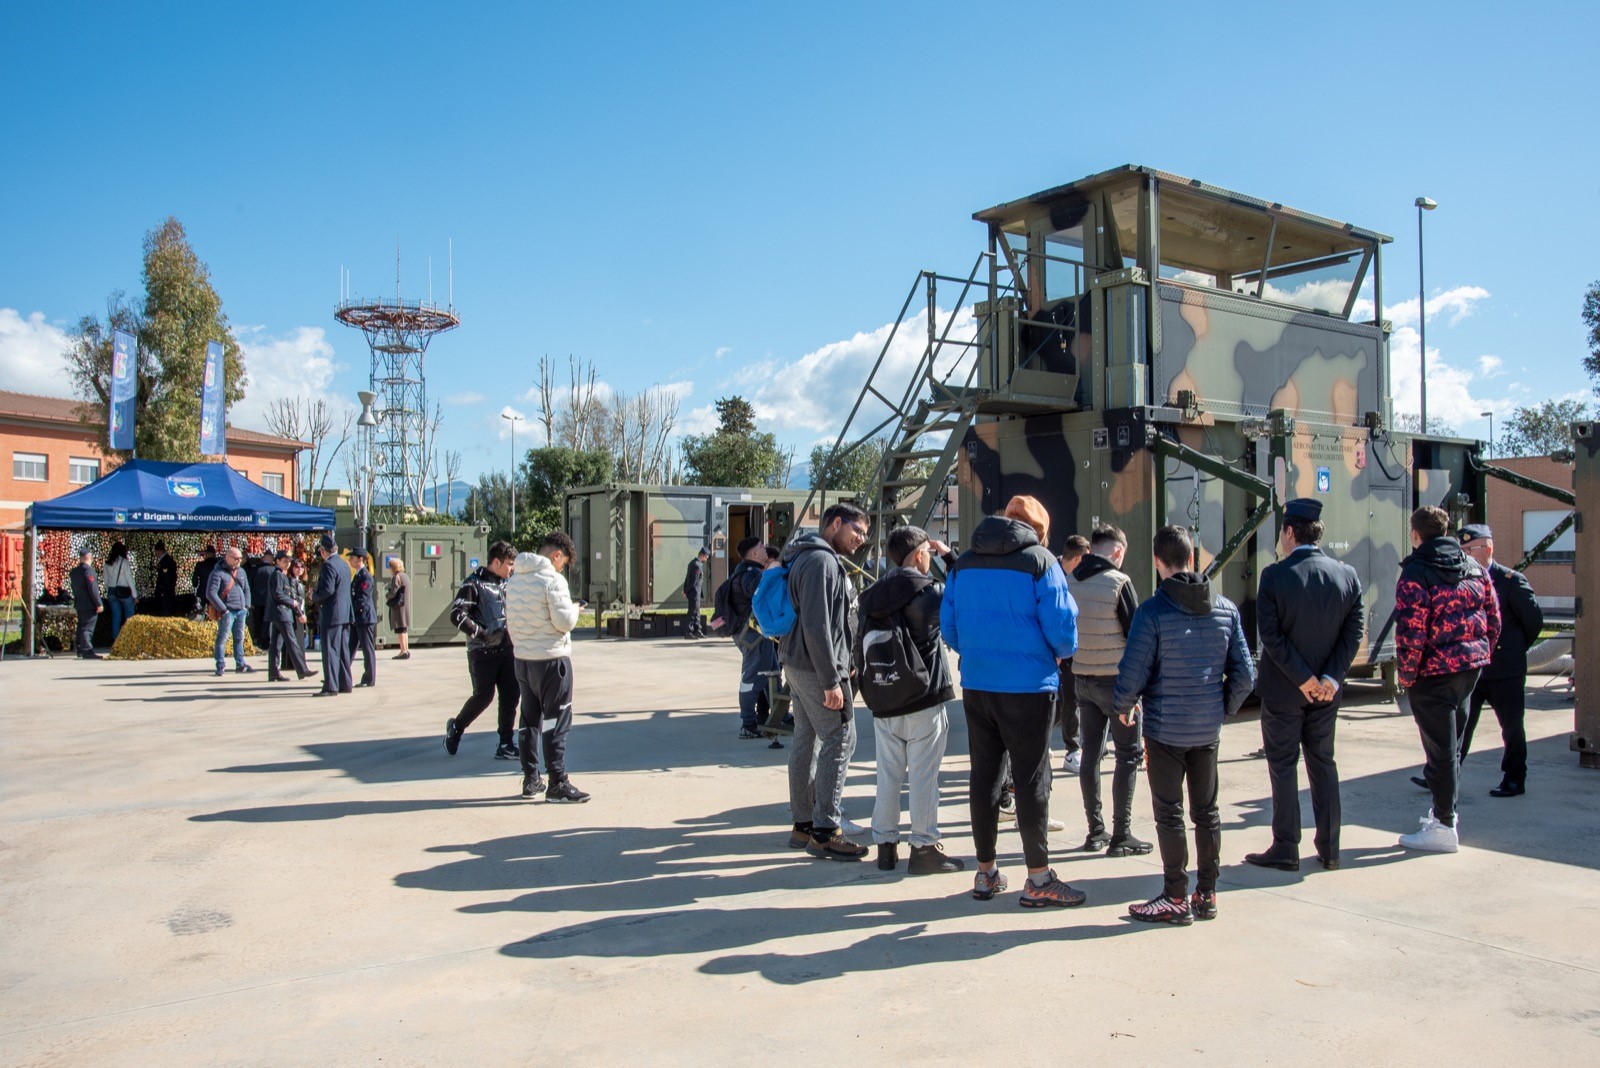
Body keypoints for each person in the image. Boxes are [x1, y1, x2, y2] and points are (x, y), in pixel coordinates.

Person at [941, 494, 1085, 908]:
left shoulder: (964, 562)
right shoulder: (1041, 562)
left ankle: (985, 873)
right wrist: (1056, 654)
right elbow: (1062, 630)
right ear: (1039, 530)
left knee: (984, 778)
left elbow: (948, 626)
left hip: (979, 685)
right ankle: (1039, 877)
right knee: (1031, 778)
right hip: (1029, 688)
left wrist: (977, 651)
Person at [1116, 525, 1255, 926]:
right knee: (1207, 812)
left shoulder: (1153, 612)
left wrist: (1123, 706)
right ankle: (1207, 893)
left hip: (1163, 731)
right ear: (1192, 558)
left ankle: (1175, 896)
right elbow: (1245, 675)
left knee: (1170, 814)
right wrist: (1220, 709)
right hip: (1206, 732)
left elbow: (1134, 670)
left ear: (1159, 562)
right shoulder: (1226, 609)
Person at [1244, 499, 1365, 873]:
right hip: (1327, 693)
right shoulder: (1347, 575)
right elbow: (1354, 632)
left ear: (1290, 532)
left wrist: (1303, 678)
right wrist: (1329, 677)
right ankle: (1330, 848)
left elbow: (1272, 638)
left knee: (1283, 766)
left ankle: (1286, 846)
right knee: (1323, 763)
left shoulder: (1275, 576)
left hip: (1284, 690)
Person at [857, 524, 964, 875]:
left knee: (887, 775)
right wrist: (949, 556)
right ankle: (924, 848)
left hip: (884, 696)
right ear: (919, 554)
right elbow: (965, 593)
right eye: (928, 553)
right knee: (923, 777)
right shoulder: (931, 591)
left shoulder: (871, 595)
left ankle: (885, 848)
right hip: (923, 696)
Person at [1394, 507, 1501, 852]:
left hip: (1432, 673)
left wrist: (1408, 676)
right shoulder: (1474, 568)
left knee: (1439, 751)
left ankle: (1442, 826)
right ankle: (1446, 815)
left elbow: (1411, 632)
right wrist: (1479, 654)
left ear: (1415, 534)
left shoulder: (1416, 573)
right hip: (1468, 670)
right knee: (1451, 748)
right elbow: (1493, 619)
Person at [780, 502, 871, 861]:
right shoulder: (822, 562)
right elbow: (818, 625)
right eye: (857, 531)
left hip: (798, 663)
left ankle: (803, 825)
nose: (861, 540)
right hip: (816, 667)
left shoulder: (805, 556)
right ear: (836, 523)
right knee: (839, 736)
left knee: (805, 739)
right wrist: (832, 679)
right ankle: (825, 830)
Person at [1067, 523, 1151, 856]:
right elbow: (1138, 639)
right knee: (1127, 756)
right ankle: (1122, 835)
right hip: (1117, 685)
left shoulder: (1070, 581)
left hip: (1082, 680)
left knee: (1090, 754)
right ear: (1117, 551)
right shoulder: (1119, 582)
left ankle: (1095, 831)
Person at [1453, 525, 1543, 798]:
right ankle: (1444, 773)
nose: (1465, 554)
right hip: (1474, 668)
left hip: (1505, 670)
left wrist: (1512, 651)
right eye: (1462, 550)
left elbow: (1534, 622)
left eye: (1470, 549)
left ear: (1488, 549)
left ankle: (1515, 778)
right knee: (1460, 725)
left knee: (1512, 727)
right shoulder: (1462, 579)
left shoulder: (1511, 580)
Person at [505, 531, 590, 803]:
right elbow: (564, 621)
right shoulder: (553, 580)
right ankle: (558, 781)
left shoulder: (515, 579)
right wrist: (576, 609)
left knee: (529, 720)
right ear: (556, 555)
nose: (562, 566)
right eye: (563, 561)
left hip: (523, 660)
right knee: (558, 719)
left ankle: (531, 779)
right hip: (552, 660)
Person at [444, 540, 519, 759]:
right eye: (508, 564)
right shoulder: (473, 584)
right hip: (482, 652)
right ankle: (457, 727)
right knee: (484, 696)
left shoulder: (509, 584)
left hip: (507, 649)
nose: (512, 569)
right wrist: (482, 634)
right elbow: (456, 615)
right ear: (496, 562)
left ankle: (505, 743)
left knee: (511, 695)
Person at [727, 536, 780, 738]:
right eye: (761, 547)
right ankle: (748, 724)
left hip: (759, 634)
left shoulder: (748, 572)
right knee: (751, 677)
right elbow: (760, 595)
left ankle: (778, 717)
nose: (765, 549)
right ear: (754, 553)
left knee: (772, 673)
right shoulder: (750, 575)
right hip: (752, 635)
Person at [1057, 533, 1091, 774]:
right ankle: (1072, 750)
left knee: (1072, 699)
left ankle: (1077, 745)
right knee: (1068, 700)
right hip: (1058, 650)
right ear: (1079, 558)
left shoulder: (1068, 574)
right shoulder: (1053, 574)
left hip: (1070, 648)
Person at [312, 535, 353, 696]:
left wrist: (314, 596)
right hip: (344, 613)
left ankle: (331, 686)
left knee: (330, 650)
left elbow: (328, 590)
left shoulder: (328, 566)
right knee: (342, 650)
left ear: (323, 551)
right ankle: (345, 683)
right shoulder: (343, 564)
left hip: (332, 613)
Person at [206, 545, 254, 677]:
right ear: (227, 558)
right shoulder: (217, 573)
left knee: (239, 638)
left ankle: (240, 663)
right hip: (227, 611)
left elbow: (247, 589)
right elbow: (210, 593)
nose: (239, 561)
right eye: (236, 558)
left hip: (241, 610)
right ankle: (220, 665)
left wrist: (246, 606)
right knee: (222, 638)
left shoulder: (242, 572)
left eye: (240, 558)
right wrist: (224, 610)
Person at [266, 550, 313, 682]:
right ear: (278, 561)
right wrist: (291, 602)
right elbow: (278, 594)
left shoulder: (280, 574)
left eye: (289, 561)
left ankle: (273, 672)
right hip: (282, 613)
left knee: (276, 644)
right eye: (285, 561)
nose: (288, 563)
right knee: (292, 642)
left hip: (279, 613)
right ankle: (302, 670)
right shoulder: (278, 575)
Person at [69, 546, 103, 659]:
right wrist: (99, 603)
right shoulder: (88, 571)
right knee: (87, 628)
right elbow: (93, 589)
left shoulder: (74, 572)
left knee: (81, 626)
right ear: (89, 557)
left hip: (80, 603)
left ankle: (80, 649)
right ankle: (87, 650)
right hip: (89, 604)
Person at [350, 549, 377, 687]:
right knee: (349, 648)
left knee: (367, 649)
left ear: (360, 559)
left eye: (352, 558)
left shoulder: (365, 576)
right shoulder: (358, 575)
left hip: (364, 617)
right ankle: (340, 675)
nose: (350, 560)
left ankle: (369, 678)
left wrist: (350, 610)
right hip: (357, 617)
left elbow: (362, 598)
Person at [103, 540, 137, 643]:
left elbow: (105, 580)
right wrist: (135, 595)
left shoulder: (107, 563)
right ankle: (128, 638)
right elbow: (130, 579)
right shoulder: (124, 562)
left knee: (116, 616)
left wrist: (108, 590)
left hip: (112, 591)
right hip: (124, 591)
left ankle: (115, 640)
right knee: (129, 616)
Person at [246, 554, 275, 648]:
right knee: (267, 621)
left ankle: (258, 639)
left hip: (257, 600)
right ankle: (266, 640)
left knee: (258, 620)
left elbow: (250, 585)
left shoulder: (254, 570)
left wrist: (250, 600)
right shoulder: (273, 570)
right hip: (269, 600)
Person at [386, 557, 412, 659]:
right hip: (405, 605)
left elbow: (393, 592)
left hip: (398, 607)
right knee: (404, 629)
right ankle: (406, 649)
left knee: (400, 629)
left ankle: (402, 651)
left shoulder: (396, 577)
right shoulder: (405, 576)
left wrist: (387, 595)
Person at [683, 547, 709, 639]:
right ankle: (688, 632)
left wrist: (685, 589)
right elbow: (693, 581)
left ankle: (697, 630)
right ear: (702, 555)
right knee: (692, 612)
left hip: (694, 593)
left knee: (697, 612)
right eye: (706, 557)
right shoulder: (697, 565)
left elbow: (687, 578)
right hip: (694, 593)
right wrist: (685, 590)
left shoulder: (692, 563)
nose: (707, 559)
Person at [191, 545, 218, 618]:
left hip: (202, 593)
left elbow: (194, 581)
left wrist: (195, 585)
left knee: (201, 614)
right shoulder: (218, 565)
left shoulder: (200, 565)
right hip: (215, 593)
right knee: (214, 615)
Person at [153, 540, 178, 616]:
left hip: (165, 592)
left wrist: (162, 590)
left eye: (155, 551)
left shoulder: (166, 561)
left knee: (166, 612)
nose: (155, 553)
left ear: (159, 551)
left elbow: (166, 578)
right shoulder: (165, 561)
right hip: (166, 592)